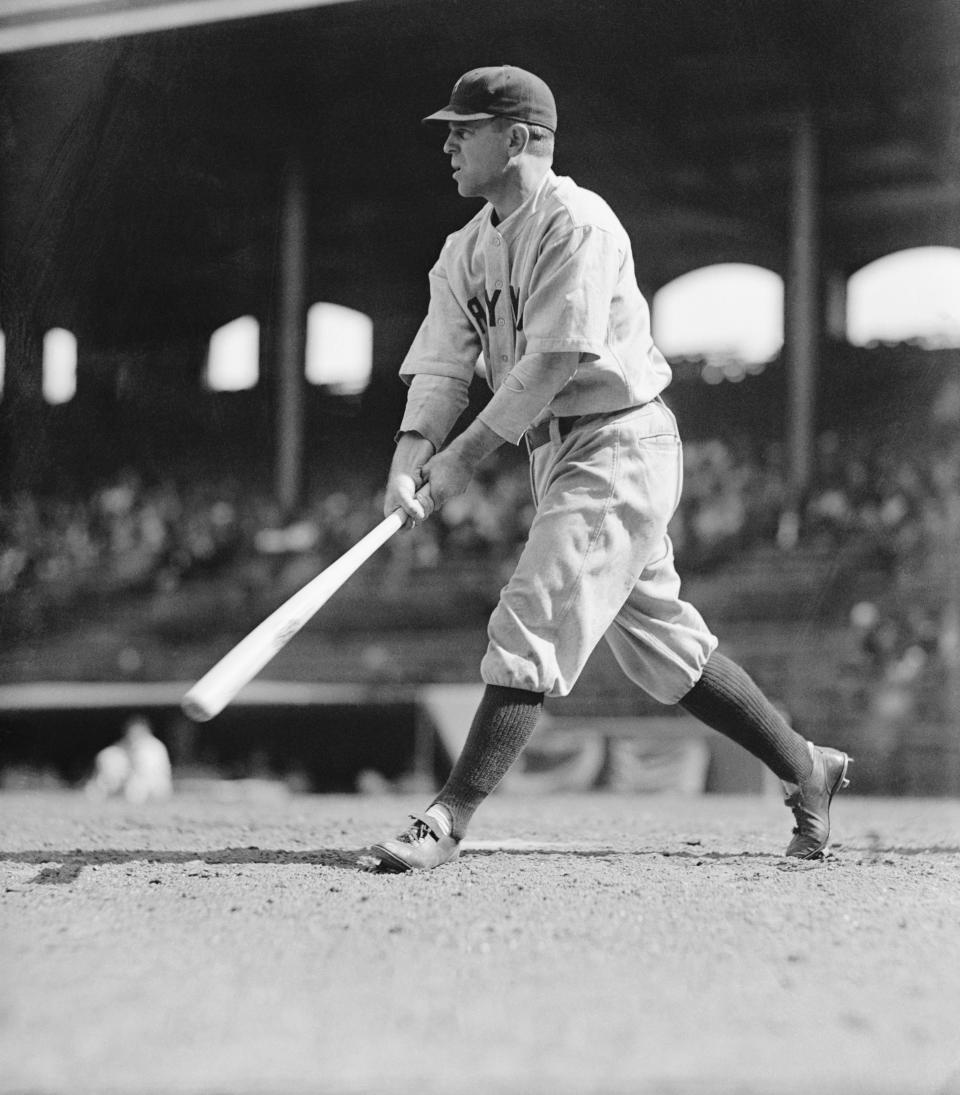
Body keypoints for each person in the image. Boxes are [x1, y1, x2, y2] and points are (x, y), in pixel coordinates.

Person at [363, 65, 851, 872]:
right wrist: (407, 461)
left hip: (619, 437)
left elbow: (551, 366)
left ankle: (448, 815)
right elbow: (444, 369)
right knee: (667, 655)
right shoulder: (463, 250)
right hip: (556, 450)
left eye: (465, 128)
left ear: (517, 139)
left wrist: (457, 464)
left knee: (533, 610)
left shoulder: (577, 223)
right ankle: (810, 768)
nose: (448, 141)